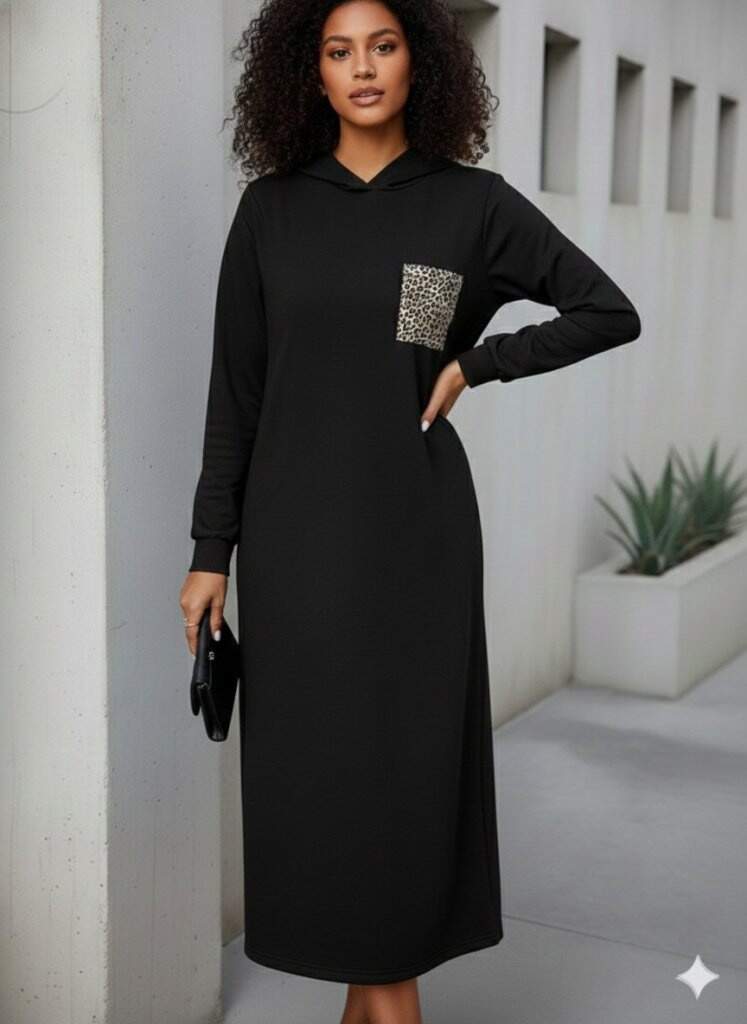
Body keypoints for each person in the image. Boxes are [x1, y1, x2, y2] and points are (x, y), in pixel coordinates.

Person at [179, 1, 642, 1022]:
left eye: (382, 46)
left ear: (419, 61)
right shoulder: (271, 211)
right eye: (338, 51)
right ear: (308, 72)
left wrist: (478, 362)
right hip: (294, 548)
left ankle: (388, 1000)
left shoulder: (467, 206)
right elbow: (236, 395)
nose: (362, 68)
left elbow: (607, 309)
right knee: (330, 782)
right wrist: (212, 549)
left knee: (401, 779)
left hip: (413, 541)